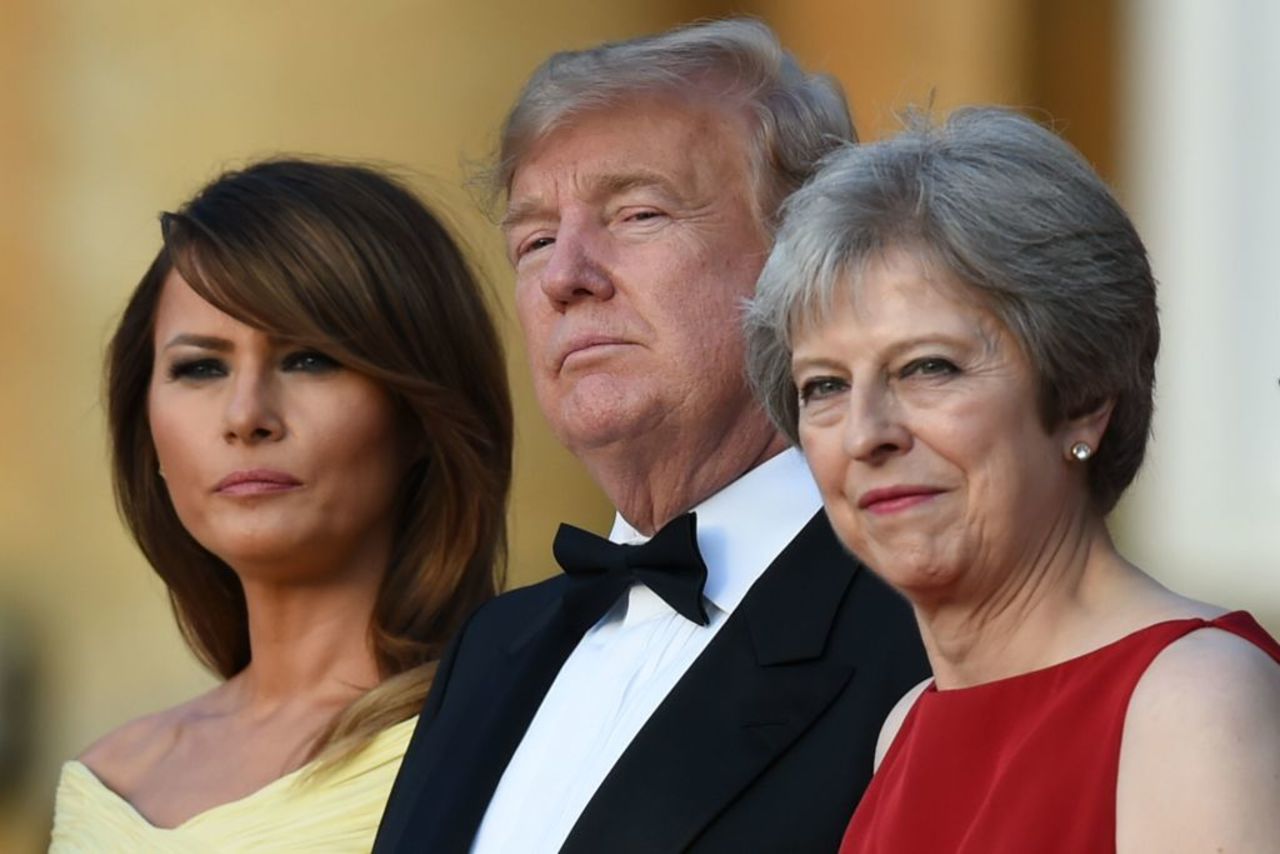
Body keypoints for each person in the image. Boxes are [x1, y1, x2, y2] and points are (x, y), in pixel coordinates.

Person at [375, 19, 928, 854]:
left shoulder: (926, 621)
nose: (565, 277)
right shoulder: (491, 649)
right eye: (533, 240)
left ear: (808, 263)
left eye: (636, 214)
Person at [745, 106, 1280, 853]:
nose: (866, 435)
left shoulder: (1194, 702)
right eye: (824, 387)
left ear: (1084, 396)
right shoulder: (905, 727)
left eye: (928, 367)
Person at [49, 159, 513, 851]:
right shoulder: (105, 778)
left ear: (420, 414)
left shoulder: (515, 739)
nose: (246, 416)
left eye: (309, 359)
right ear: (145, 431)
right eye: (201, 367)